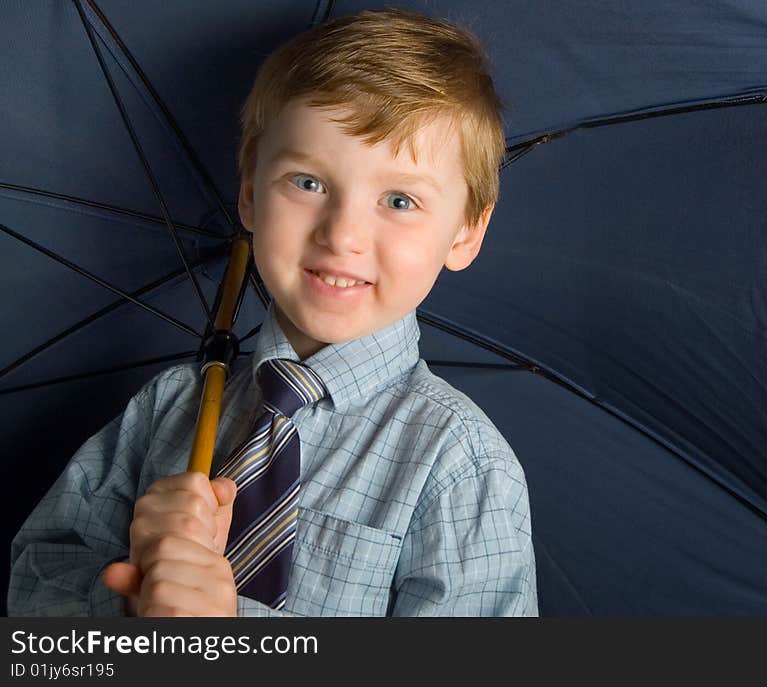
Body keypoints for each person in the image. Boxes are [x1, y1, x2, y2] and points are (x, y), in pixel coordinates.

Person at [8, 8, 538, 617]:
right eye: (308, 183)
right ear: (252, 193)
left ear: (466, 232)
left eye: (399, 199)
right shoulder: (166, 410)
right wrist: (128, 605)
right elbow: (35, 591)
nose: (343, 236)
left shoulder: (459, 465)